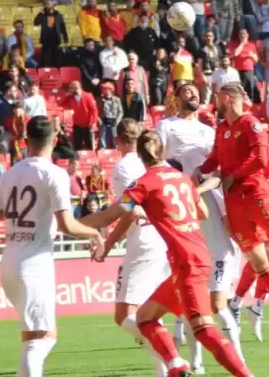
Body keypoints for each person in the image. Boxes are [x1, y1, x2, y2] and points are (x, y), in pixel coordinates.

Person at [91, 130, 253, 377]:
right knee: (145, 318)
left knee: (204, 329)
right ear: (163, 151)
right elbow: (203, 213)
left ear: (140, 156)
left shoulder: (142, 185)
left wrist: (70, 224)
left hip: (188, 263)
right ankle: (176, 366)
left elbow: (112, 214)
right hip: (194, 257)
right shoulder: (181, 178)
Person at [0, 116, 105, 377]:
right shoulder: (55, 174)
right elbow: (67, 225)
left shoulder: (8, 174)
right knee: (45, 337)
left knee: (31, 337)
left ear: (25, 141)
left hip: (9, 264)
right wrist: (94, 233)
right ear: (55, 141)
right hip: (35, 265)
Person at [198, 82, 269, 342]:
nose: (215, 101)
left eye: (217, 96)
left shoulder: (251, 124)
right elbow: (215, 159)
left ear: (227, 97)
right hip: (234, 202)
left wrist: (233, 176)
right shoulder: (223, 128)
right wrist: (195, 172)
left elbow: (261, 159)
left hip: (256, 194)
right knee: (260, 264)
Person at [155, 84, 245, 369]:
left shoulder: (211, 131)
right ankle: (195, 362)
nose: (193, 94)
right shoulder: (166, 127)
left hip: (210, 207)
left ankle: (234, 360)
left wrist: (198, 187)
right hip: (182, 213)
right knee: (191, 295)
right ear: (176, 98)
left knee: (213, 299)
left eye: (196, 91)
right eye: (187, 91)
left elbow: (220, 172)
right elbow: (155, 163)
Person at [89, 119, 171, 376]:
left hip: (145, 240)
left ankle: (171, 351)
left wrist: (108, 243)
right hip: (166, 238)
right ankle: (168, 366)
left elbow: (131, 211)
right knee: (149, 314)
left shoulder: (123, 167)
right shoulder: (161, 162)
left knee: (125, 315)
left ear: (117, 141)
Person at [34, 0, 68, 67]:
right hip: (46, 39)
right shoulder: (43, 15)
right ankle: (45, 70)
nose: (47, 5)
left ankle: (56, 71)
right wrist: (40, 12)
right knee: (45, 57)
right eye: (46, 4)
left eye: (48, 4)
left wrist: (65, 38)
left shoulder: (58, 15)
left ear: (53, 5)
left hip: (55, 39)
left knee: (55, 57)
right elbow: (36, 23)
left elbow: (62, 27)